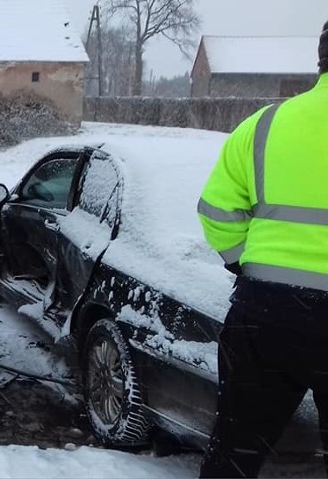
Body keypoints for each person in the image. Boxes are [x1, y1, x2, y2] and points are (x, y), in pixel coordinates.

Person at [196, 22, 328, 478]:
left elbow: (216, 211)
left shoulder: (266, 124)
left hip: (267, 314)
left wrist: (243, 262)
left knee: (234, 453)